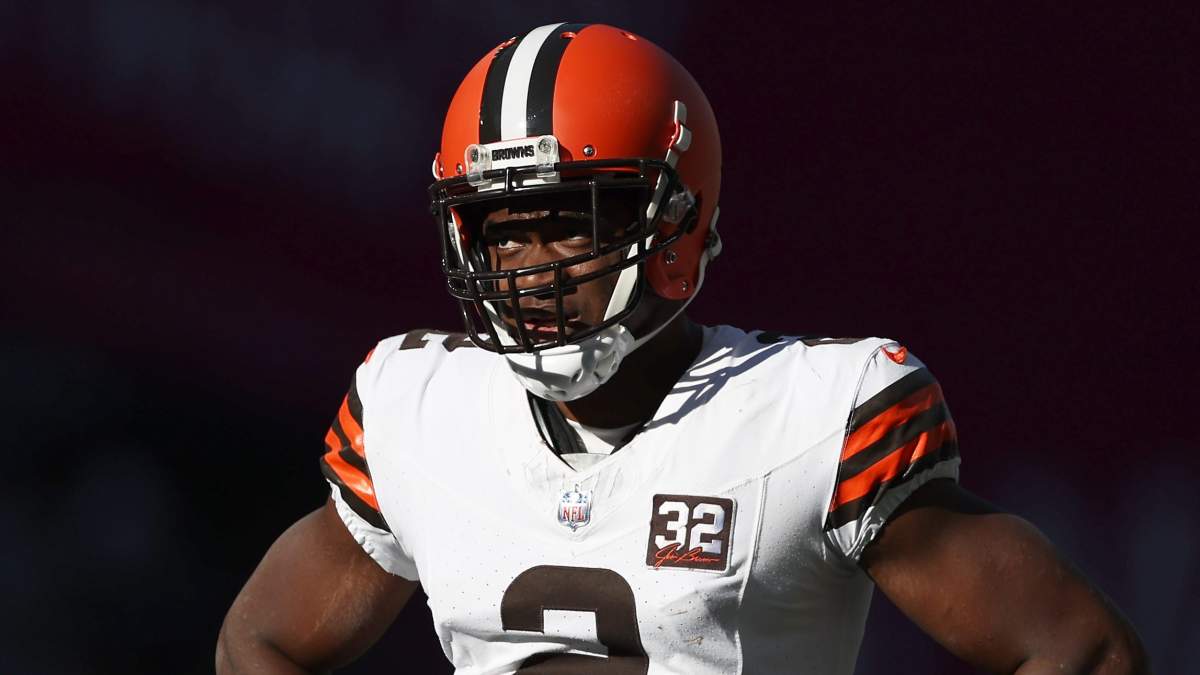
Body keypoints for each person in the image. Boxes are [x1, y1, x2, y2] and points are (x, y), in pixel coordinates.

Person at [216, 23, 1149, 675]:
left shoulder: (807, 416)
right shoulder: (420, 411)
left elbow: (1085, 649)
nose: (531, 271)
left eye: (567, 224)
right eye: (503, 233)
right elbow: (261, 639)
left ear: (673, 227)